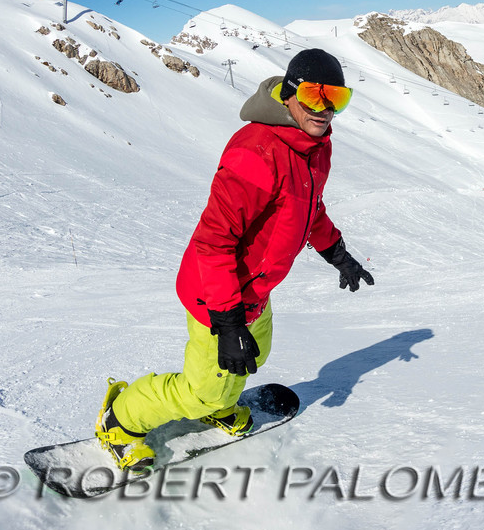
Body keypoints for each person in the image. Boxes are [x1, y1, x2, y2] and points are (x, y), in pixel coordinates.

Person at [95, 48, 374, 471]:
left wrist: (338, 253)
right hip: (217, 293)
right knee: (205, 385)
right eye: (316, 96)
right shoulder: (257, 152)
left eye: (337, 97)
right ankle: (122, 417)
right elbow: (213, 243)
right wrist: (227, 323)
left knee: (252, 356)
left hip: (254, 290)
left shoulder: (314, 148)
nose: (326, 108)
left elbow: (307, 206)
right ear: (289, 93)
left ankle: (217, 400)